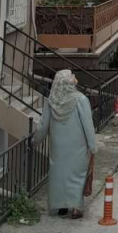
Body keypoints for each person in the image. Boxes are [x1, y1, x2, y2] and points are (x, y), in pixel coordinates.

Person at [32, 69, 97, 220]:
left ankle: (61, 205)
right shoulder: (80, 100)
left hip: (58, 147)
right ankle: (76, 208)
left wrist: (34, 141)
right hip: (78, 146)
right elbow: (88, 125)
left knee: (59, 174)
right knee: (77, 175)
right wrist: (93, 146)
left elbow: (43, 126)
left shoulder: (51, 102)